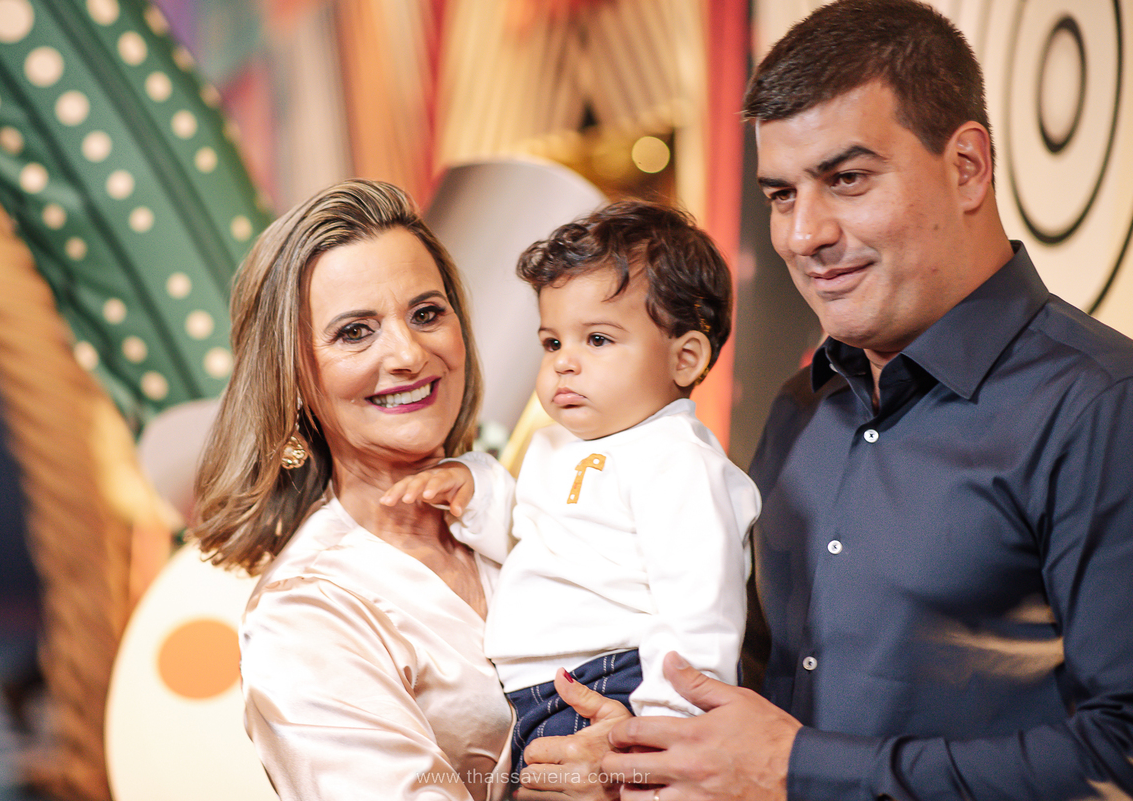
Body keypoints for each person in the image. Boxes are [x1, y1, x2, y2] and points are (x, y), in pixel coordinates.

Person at [529, 1, 1133, 798]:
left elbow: (1120, 753)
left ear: (967, 167)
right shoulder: (801, 407)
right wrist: (637, 748)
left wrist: (799, 769)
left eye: (846, 179)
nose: (803, 234)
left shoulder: (1101, 406)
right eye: (781, 194)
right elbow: (743, 696)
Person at [384, 201, 759, 774]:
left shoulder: (679, 460)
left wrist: (666, 734)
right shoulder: (558, 446)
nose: (564, 363)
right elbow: (526, 540)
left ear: (685, 358)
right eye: (552, 343)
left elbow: (700, 609)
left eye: (598, 340)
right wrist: (474, 489)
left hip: (615, 685)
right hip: (537, 694)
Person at [190, 179, 516, 801]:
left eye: (426, 314)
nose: (408, 353)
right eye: (354, 332)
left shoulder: (533, 508)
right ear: (292, 377)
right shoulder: (304, 614)